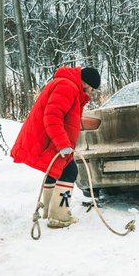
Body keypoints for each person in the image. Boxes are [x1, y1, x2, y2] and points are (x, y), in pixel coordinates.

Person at [11, 66, 100, 228]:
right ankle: (58, 216)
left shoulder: (67, 84)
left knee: (55, 171)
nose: (91, 91)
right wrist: (63, 144)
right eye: (92, 87)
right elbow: (53, 116)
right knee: (70, 171)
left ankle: (48, 212)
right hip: (52, 140)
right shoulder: (67, 87)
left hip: (51, 139)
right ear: (86, 82)